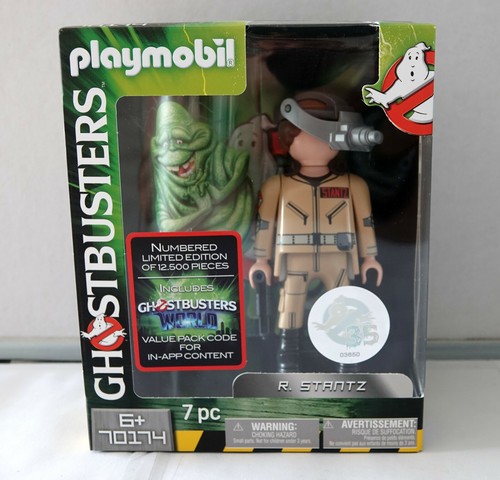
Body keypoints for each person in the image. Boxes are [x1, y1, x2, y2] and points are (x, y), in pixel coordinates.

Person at [249, 92, 383, 372]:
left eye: (325, 137)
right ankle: (288, 351)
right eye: (307, 135)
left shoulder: (352, 185)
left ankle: (347, 352)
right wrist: (261, 260)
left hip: (339, 256)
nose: (316, 143)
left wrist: (370, 257)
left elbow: (365, 222)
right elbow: (265, 224)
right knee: (291, 303)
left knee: (344, 305)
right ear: (288, 138)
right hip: (295, 257)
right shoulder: (277, 186)